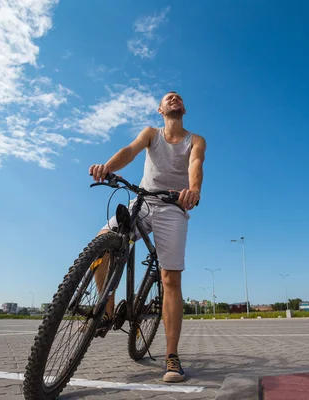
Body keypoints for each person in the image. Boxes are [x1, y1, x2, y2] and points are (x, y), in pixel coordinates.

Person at [89, 91, 206, 383]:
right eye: (169, 97)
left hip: (173, 207)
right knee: (101, 243)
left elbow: (195, 164)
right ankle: (106, 307)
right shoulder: (151, 133)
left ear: (184, 108)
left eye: (179, 97)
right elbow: (130, 150)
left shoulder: (196, 140)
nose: (175, 99)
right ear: (160, 109)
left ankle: (172, 356)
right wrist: (108, 167)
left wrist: (193, 190)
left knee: (170, 278)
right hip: (142, 202)